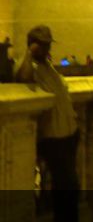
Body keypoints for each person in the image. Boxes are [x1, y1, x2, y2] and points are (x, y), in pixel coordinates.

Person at [15, 26, 79, 222]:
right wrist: (29, 53)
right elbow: (22, 79)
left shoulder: (47, 64)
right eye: (44, 45)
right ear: (34, 45)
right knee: (66, 185)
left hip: (68, 133)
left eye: (48, 44)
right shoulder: (29, 66)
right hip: (52, 138)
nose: (48, 48)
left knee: (69, 185)